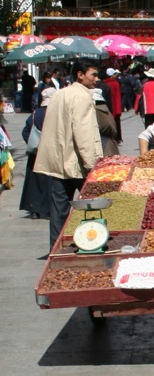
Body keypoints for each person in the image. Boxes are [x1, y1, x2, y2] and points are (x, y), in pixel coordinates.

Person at [33, 59, 104, 248]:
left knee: (59, 209)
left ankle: (56, 248)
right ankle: (92, 242)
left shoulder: (59, 94)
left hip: (59, 161)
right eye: (93, 74)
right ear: (80, 75)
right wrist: (92, 164)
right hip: (77, 162)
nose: (97, 79)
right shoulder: (83, 96)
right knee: (92, 205)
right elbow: (83, 132)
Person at [19, 87, 56, 219]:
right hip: (52, 152)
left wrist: (33, 143)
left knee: (34, 183)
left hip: (35, 153)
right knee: (50, 182)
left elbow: (25, 132)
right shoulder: (56, 113)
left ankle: (34, 209)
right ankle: (48, 209)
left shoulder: (35, 114)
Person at [104, 68, 123, 142]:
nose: (116, 75)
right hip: (116, 106)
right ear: (111, 75)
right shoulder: (115, 83)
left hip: (109, 106)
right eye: (114, 74)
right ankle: (118, 137)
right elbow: (118, 97)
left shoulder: (105, 84)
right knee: (117, 123)